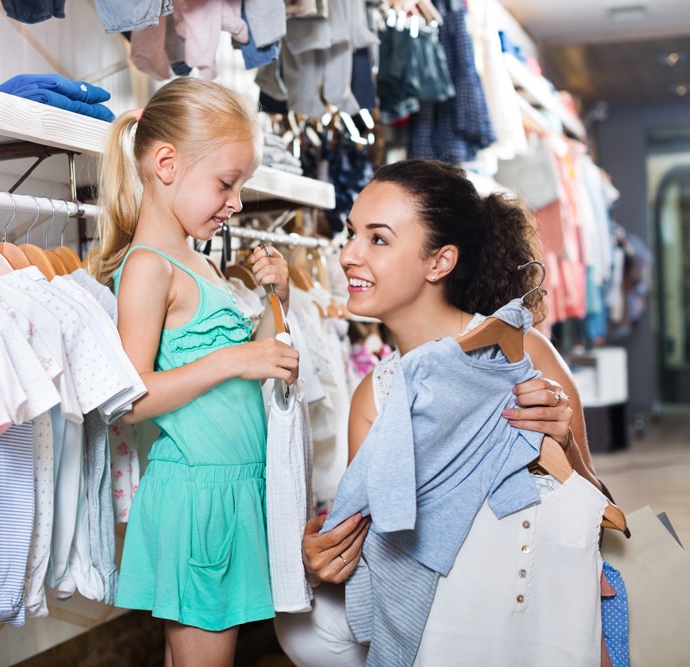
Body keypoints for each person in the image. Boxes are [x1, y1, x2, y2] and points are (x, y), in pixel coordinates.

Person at [275, 159, 610, 665]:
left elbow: (600, 509)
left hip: (527, 601)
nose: (347, 255)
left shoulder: (520, 353)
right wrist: (327, 552)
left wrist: (562, 447)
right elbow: (372, 544)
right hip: (441, 604)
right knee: (298, 617)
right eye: (351, 234)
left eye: (378, 239)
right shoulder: (375, 393)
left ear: (440, 262)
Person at [89, 77, 300, 666]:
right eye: (226, 183)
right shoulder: (149, 267)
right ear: (165, 164)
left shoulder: (199, 263)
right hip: (199, 495)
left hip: (233, 487)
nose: (235, 202)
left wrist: (275, 300)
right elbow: (129, 400)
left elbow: (257, 363)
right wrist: (236, 358)